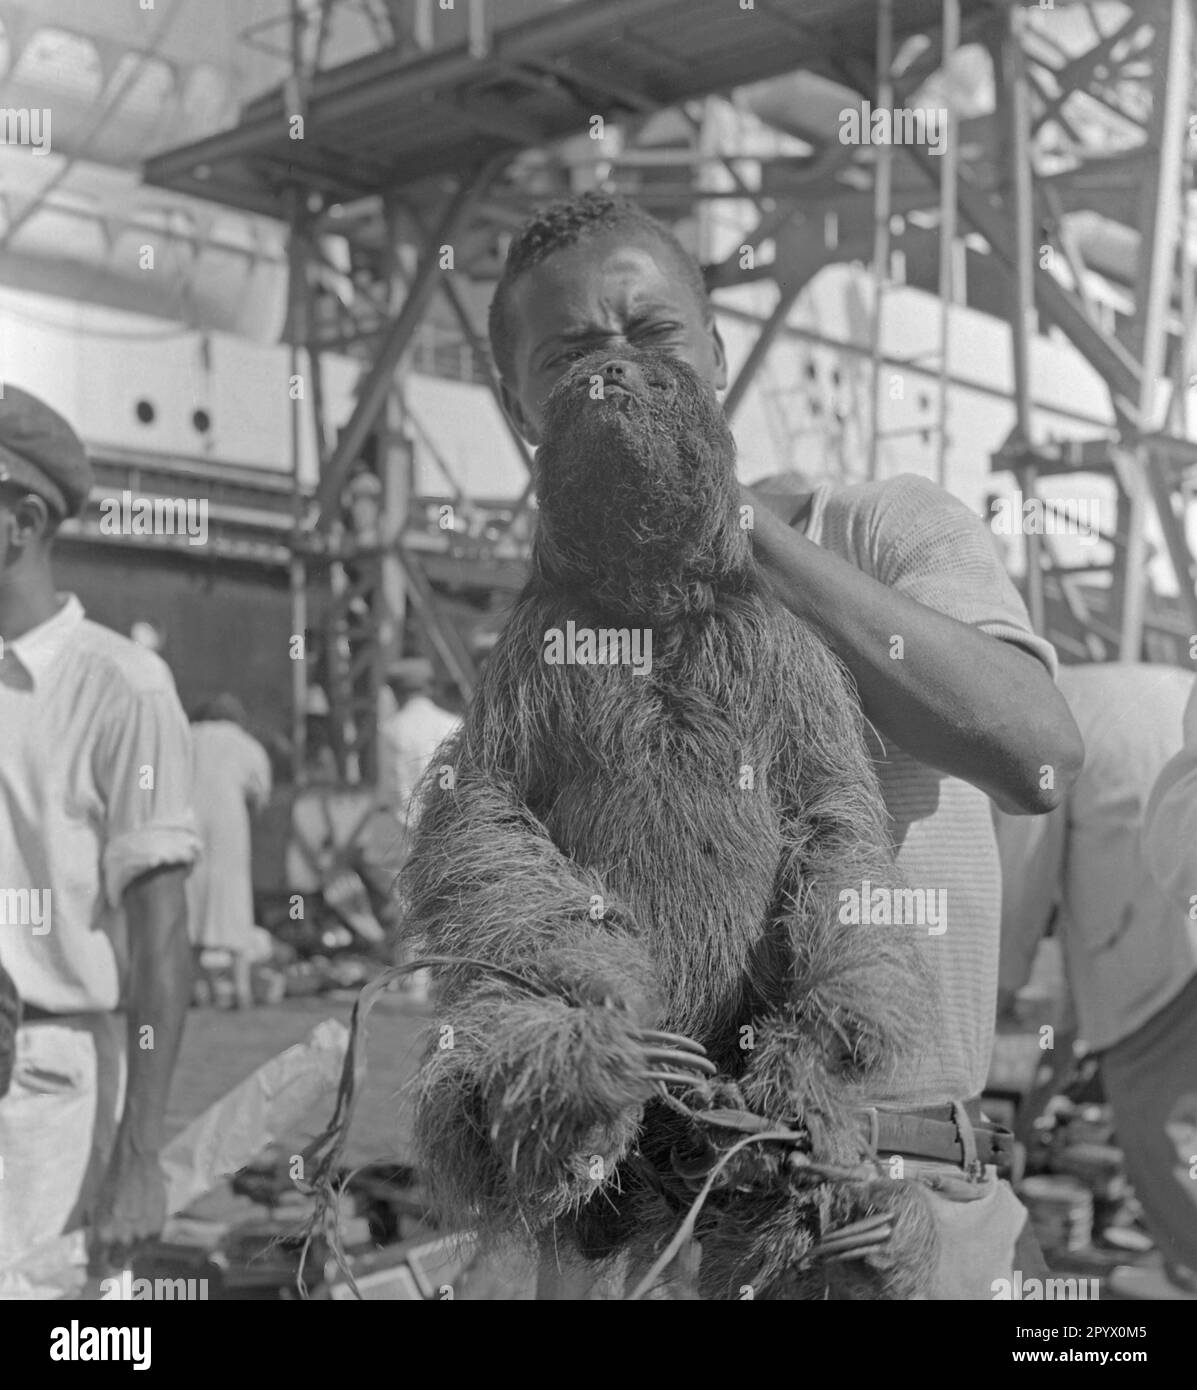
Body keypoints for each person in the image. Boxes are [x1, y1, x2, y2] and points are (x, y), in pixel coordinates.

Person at [486, 190, 1084, 1299]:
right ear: (519, 407)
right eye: (570, 351)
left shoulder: (874, 525)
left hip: (884, 1199)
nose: (618, 368)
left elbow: (1037, 758)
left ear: (714, 351)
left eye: (652, 332)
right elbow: (496, 883)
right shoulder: (546, 644)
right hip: (651, 1223)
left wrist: (737, 524)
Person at [0, 386, 200, 1284]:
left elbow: (162, 940)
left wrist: (139, 1158)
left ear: (22, 519)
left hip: (49, 1089)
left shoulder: (121, 687)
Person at [186, 694, 272, 1010]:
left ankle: (197, 988)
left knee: (191, 905)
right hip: (229, 831)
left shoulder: (187, 737)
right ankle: (241, 988)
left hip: (188, 828)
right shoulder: (247, 745)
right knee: (233, 904)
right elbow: (260, 795)